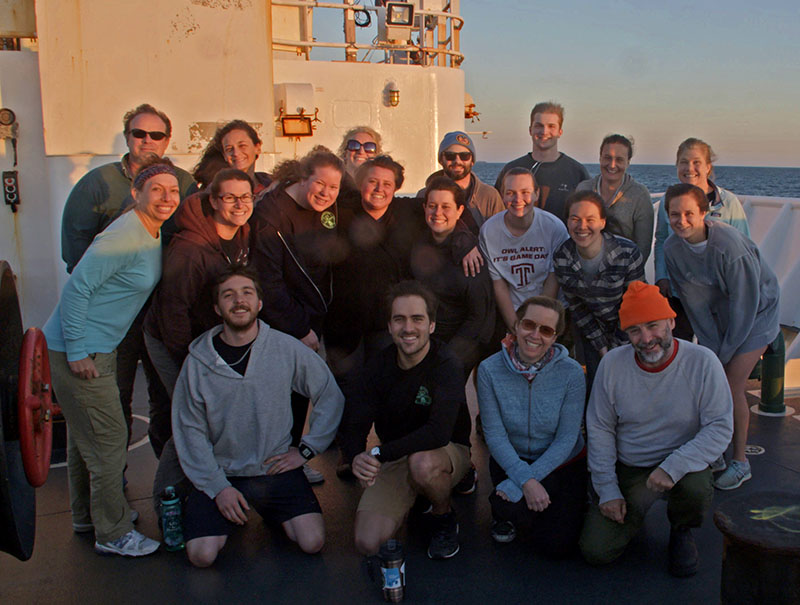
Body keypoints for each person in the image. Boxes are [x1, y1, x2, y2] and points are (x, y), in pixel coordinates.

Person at [44, 158, 181, 557]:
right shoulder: (123, 235)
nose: (166, 197)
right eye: (156, 190)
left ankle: (89, 516)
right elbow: (76, 291)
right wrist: (77, 351)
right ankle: (114, 533)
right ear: (136, 193)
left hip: (92, 346)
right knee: (108, 440)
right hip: (84, 351)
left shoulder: (148, 229)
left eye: (172, 190)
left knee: (84, 440)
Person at [172, 265, 344, 568]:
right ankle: (225, 506)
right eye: (229, 295)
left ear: (259, 304)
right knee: (201, 556)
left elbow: (329, 393)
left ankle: (272, 513)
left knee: (312, 542)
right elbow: (189, 431)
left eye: (246, 293)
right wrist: (218, 486)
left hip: (274, 468)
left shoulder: (284, 348)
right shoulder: (197, 362)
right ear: (217, 307)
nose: (239, 301)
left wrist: (307, 449)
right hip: (222, 472)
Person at [59, 104, 196, 453]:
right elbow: (76, 255)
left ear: (167, 141)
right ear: (127, 137)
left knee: (166, 392)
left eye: (156, 134)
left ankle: (169, 480)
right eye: (139, 133)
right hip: (119, 313)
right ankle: (113, 481)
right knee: (115, 393)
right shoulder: (97, 183)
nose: (147, 140)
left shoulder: (183, 182)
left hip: (162, 308)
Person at [579, 281, 733, 577]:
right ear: (626, 333)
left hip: (682, 463)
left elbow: (719, 426)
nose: (646, 338)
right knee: (595, 551)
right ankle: (631, 515)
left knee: (696, 487)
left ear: (671, 321)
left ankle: (681, 529)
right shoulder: (612, 364)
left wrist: (674, 466)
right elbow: (599, 428)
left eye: (653, 325)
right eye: (635, 330)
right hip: (632, 465)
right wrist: (607, 488)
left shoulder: (702, 362)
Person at [342, 281, 472, 560]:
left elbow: (437, 433)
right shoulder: (378, 365)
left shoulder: (447, 365)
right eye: (399, 319)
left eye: (417, 319)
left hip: (445, 451)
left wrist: (377, 453)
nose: (408, 328)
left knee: (422, 464)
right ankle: (419, 495)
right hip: (396, 456)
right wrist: (355, 457)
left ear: (432, 325)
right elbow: (355, 421)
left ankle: (443, 516)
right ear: (389, 326)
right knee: (367, 543)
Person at [663, 183, 780, 490]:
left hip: (757, 313)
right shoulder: (672, 250)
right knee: (708, 376)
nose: (682, 221)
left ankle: (740, 461)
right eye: (675, 214)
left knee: (730, 383)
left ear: (704, 213)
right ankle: (713, 449)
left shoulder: (729, 247)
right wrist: (712, 347)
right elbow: (694, 303)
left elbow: (746, 303)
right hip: (720, 313)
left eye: (690, 213)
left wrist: (725, 352)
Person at [144, 168, 254, 455]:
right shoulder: (190, 251)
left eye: (246, 197)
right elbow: (173, 311)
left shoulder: (242, 231)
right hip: (172, 338)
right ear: (214, 201)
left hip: (207, 337)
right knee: (190, 414)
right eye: (230, 197)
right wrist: (191, 362)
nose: (240, 204)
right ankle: (173, 490)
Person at [251, 146, 344, 484]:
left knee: (301, 394)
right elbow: (268, 281)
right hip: (285, 321)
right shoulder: (272, 215)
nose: (327, 193)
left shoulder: (328, 208)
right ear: (303, 178)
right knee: (281, 398)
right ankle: (279, 466)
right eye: (320, 184)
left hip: (314, 315)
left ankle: (290, 457)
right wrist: (298, 327)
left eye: (334, 188)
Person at [477, 296, 586, 555]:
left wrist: (523, 482)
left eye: (546, 330)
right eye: (528, 325)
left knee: (557, 545)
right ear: (516, 325)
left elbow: (566, 439)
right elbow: (493, 434)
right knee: (509, 508)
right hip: (513, 458)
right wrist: (526, 479)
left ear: (555, 337)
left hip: (561, 462)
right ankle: (510, 513)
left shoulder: (572, 373)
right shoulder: (488, 370)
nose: (535, 335)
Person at [653, 137, 750, 339]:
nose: (690, 168)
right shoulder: (668, 201)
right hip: (679, 290)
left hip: (719, 295)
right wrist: (661, 275)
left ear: (708, 167)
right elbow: (661, 239)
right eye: (683, 162)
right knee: (679, 347)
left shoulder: (728, 203)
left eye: (696, 162)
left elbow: (744, 249)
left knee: (717, 348)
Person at [553, 191, 645, 389]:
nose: (582, 226)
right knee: (598, 383)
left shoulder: (628, 253)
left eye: (590, 219)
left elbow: (637, 303)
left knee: (630, 385)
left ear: (602, 222)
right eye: (575, 219)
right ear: (567, 222)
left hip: (631, 328)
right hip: (592, 329)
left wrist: (617, 348)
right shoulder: (562, 257)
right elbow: (577, 306)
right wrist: (602, 347)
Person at [411, 176, 495, 381]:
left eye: (446, 207)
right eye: (432, 206)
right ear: (424, 208)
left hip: (457, 348)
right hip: (419, 343)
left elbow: (480, 318)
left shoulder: (470, 257)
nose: (437, 213)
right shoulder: (416, 244)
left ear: (459, 211)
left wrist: (451, 357)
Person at [480, 167, 569, 333]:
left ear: (536, 194)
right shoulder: (489, 231)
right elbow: (499, 284)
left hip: (550, 312)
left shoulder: (554, 227)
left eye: (525, 192)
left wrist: (536, 326)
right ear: (502, 194)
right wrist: (516, 328)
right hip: (512, 313)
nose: (517, 199)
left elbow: (553, 279)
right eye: (510, 192)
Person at [493, 101, 589, 223]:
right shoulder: (511, 169)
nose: (544, 131)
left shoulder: (577, 172)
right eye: (539, 126)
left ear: (560, 132)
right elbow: (497, 212)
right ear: (530, 130)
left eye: (551, 126)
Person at [575, 134, 653, 261]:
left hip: (626, 270)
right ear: (600, 158)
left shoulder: (640, 195)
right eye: (607, 158)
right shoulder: (583, 189)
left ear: (628, 162)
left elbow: (643, 247)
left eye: (619, 160)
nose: (612, 165)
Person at [417, 131, 504, 234]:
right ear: (441, 159)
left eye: (464, 156)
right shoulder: (423, 195)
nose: (457, 161)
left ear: (472, 160)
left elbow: (500, 236)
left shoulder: (490, 196)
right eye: (450, 156)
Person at [192, 119, 271, 192]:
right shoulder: (213, 192)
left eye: (242, 146)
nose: (236, 153)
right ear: (224, 155)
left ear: (257, 148)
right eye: (229, 149)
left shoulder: (271, 186)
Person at [337, 126, 381, 201]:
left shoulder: (379, 188)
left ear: (376, 155)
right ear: (345, 153)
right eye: (354, 145)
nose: (361, 151)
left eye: (369, 147)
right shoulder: (334, 184)